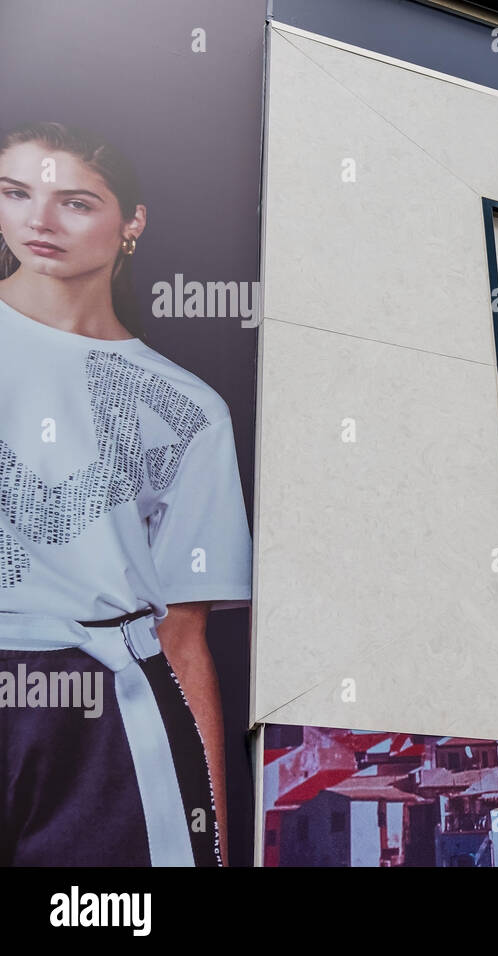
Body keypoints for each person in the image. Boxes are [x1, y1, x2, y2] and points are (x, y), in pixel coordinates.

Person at [0, 121, 251, 865]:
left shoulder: (189, 407)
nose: (38, 222)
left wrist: (211, 841)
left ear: (132, 222)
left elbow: (181, 636)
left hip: (101, 722)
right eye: (16, 193)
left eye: (74, 202)